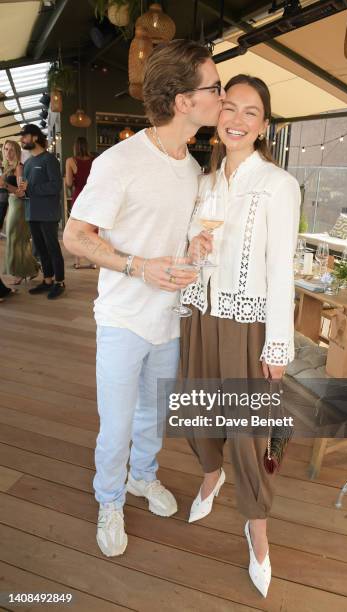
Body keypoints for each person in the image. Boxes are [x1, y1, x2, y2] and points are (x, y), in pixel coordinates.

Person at [63, 39, 225, 558]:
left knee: (154, 415)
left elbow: (173, 236)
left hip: (169, 320)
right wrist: (137, 266)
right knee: (116, 421)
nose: (221, 96)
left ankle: (143, 477)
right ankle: (108, 499)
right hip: (122, 318)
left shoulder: (192, 168)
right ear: (183, 100)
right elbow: (75, 235)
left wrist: (193, 244)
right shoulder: (122, 160)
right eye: (215, 87)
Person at [180, 74, 301, 598]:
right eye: (229, 106)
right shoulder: (202, 184)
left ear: (264, 126)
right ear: (217, 116)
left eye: (251, 112)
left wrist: (278, 345)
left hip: (249, 323)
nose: (236, 118)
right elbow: (192, 250)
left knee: (250, 437)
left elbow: (282, 272)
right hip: (202, 314)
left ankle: (257, 530)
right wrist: (194, 249)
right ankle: (211, 472)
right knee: (198, 410)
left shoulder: (278, 185)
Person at [16, 124, 65, 300]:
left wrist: (31, 189)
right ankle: (47, 280)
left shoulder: (49, 159)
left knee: (52, 248)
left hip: (48, 214)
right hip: (32, 212)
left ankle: (60, 282)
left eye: (24, 136)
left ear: (35, 137)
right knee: (40, 249)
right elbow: (27, 189)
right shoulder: (28, 163)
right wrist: (22, 193)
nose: (22, 139)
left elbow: (56, 186)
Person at [0, 140, 39, 284]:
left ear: (17, 151)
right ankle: (32, 268)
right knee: (16, 238)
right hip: (11, 204)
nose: (8, 153)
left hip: (19, 205)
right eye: (6, 149)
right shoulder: (7, 167)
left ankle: (20, 272)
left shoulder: (19, 168)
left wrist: (4, 184)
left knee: (16, 238)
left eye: (11, 150)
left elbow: (21, 192)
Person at [65, 137, 95, 269]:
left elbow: (69, 183)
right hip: (93, 197)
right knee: (92, 229)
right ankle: (93, 260)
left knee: (77, 228)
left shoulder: (70, 161)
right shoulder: (94, 160)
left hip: (79, 197)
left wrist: (68, 178)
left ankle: (78, 261)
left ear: (75, 147)